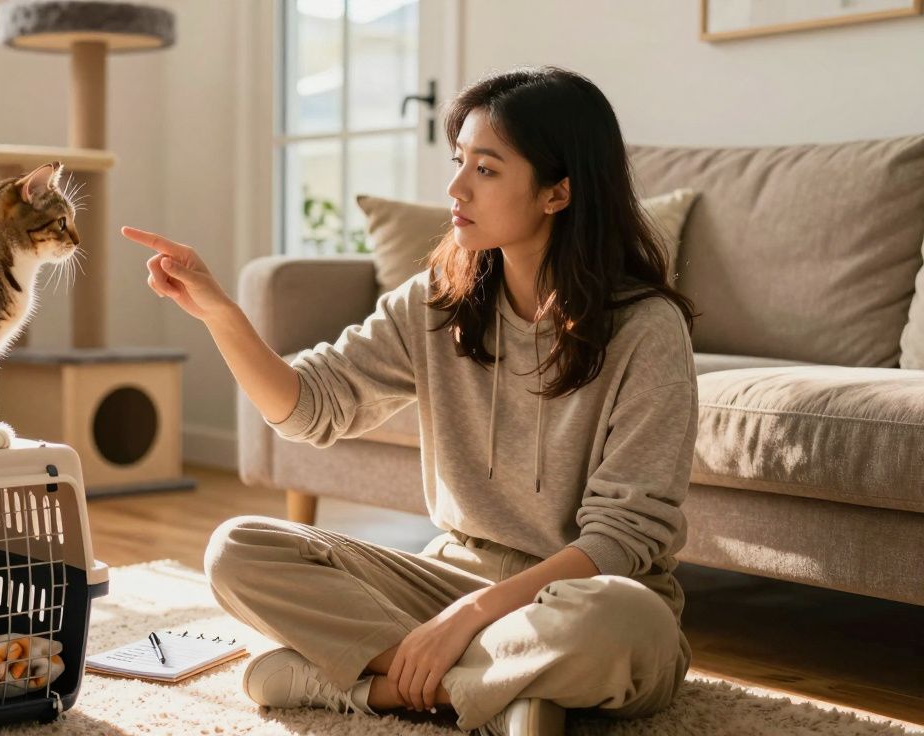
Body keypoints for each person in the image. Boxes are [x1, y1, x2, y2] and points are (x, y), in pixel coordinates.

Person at [121, 65, 698, 736]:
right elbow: (310, 408)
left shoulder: (647, 329)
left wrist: (464, 621)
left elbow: (623, 539)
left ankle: (360, 685)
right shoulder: (438, 302)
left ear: (557, 192)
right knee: (237, 548)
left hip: (578, 596)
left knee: (623, 628)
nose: (455, 188)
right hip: (445, 580)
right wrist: (220, 315)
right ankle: (496, 693)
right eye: (459, 162)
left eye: (485, 169)